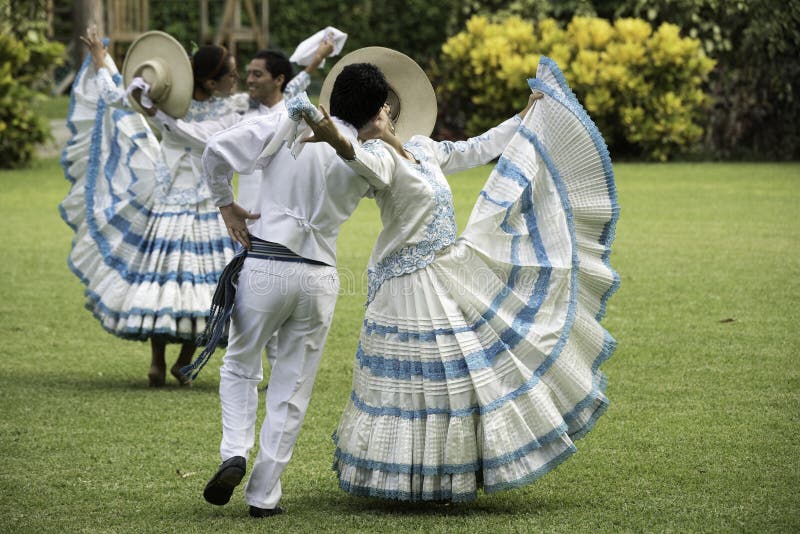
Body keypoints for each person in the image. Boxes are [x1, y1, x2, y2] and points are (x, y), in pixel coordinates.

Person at [300, 51, 620, 501]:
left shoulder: (424, 150)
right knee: (420, 385)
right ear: (383, 107)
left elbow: (479, 147)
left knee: (461, 375)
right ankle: (411, 479)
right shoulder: (379, 158)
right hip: (408, 285)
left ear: (388, 108)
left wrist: (525, 117)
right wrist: (341, 142)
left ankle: (449, 477)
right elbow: (363, 163)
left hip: (444, 273)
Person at [191, 88, 383, 517]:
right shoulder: (367, 156)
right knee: (292, 389)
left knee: (241, 364)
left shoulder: (290, 122)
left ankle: (234, 452)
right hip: (320, 278)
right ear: (376, 112)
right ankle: (263, 496)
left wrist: (227, 205)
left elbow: (216, 149)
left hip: (266, 264)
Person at [61, 29, 240, 387]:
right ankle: (159, 362)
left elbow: (204, 137)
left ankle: (181, 361)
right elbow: (115, 94)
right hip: (176, 193)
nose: (236, 80)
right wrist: (100, 56)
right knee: (165, 275)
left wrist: (156, 113)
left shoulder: (228, 109)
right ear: (209, 80)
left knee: (204, 282)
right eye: (231, 75)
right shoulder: (172, 95)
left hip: (203, 197)